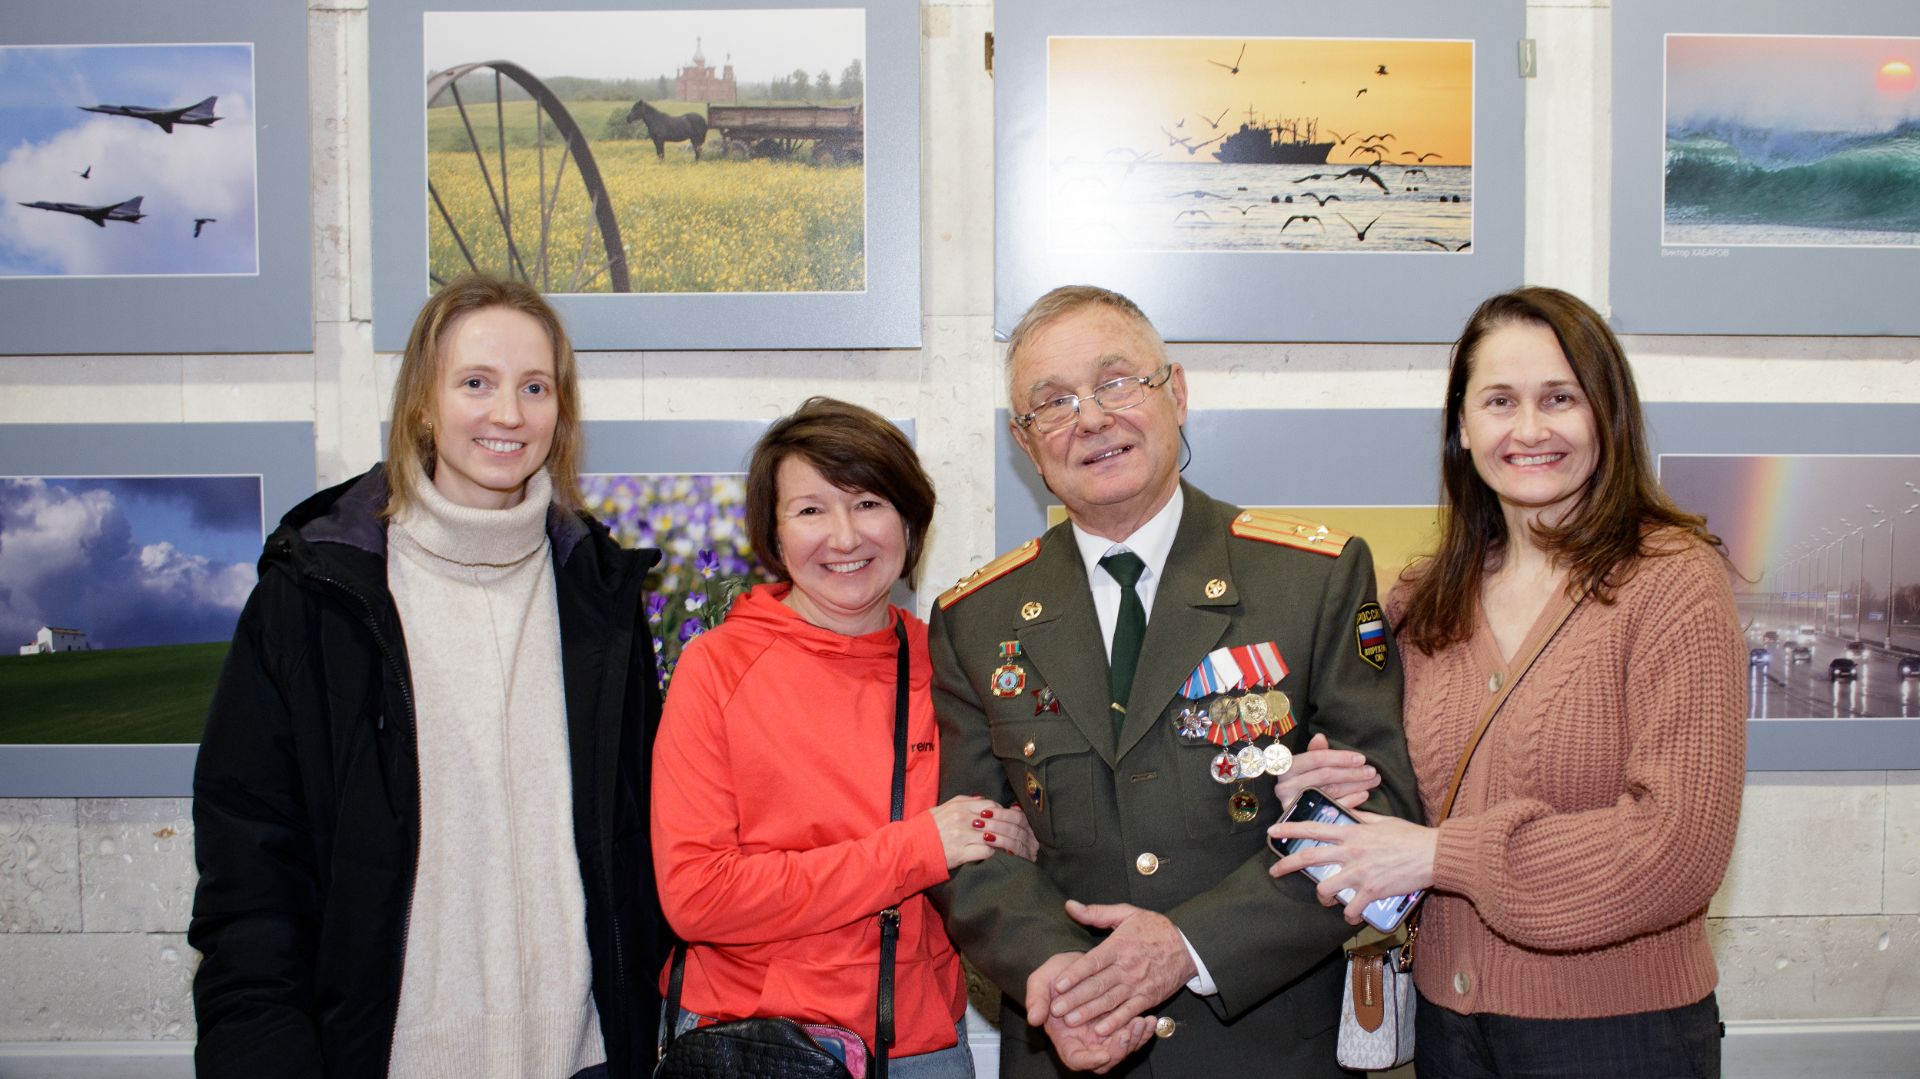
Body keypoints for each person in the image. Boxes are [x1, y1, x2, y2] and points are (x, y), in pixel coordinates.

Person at [929, 285, 1420, 1077]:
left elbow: (1380, 809)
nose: (1091, 418)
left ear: (1177, 393)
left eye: (1116, 382)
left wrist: (1190, 945)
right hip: (1071, 1045)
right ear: (1025, 443)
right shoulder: (978, 618)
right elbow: (972, 848)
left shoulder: (1310, 580)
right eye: (1053, 403)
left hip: (1264, 1047)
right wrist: (1061, 976)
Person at [190, 275, 668, 1079]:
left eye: (535, 387)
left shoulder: (601, 595)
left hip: (582, 1059)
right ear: (422, 403)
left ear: (561, 412)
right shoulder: (317, 591)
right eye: (476, 382)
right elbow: (252, 871)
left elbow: (638, 848)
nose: (508, 413)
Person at [1268, 286, 1745, 1077]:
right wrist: (1334, 790)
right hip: (1448, 1030)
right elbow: (1402, 805)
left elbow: (1677, 849)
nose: (1529, 429)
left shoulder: (1672, 582)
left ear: (1607, 415)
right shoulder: (1421, 601)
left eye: (1559, 398)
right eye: (1499, 401)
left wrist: (1441, 856)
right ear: (1462, 427)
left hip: (1621, 1033)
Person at [651, 397, 1038, 1076]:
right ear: (774, 536)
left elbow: (1004, 831)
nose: (844, 536)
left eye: (867, 503)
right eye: (810, 510)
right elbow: (698, 897)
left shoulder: (953, 666)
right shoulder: (716, 668)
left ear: (909, 522)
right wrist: (916, 849)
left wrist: (1025, 844)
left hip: (919, 1044)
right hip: (753, 1039)